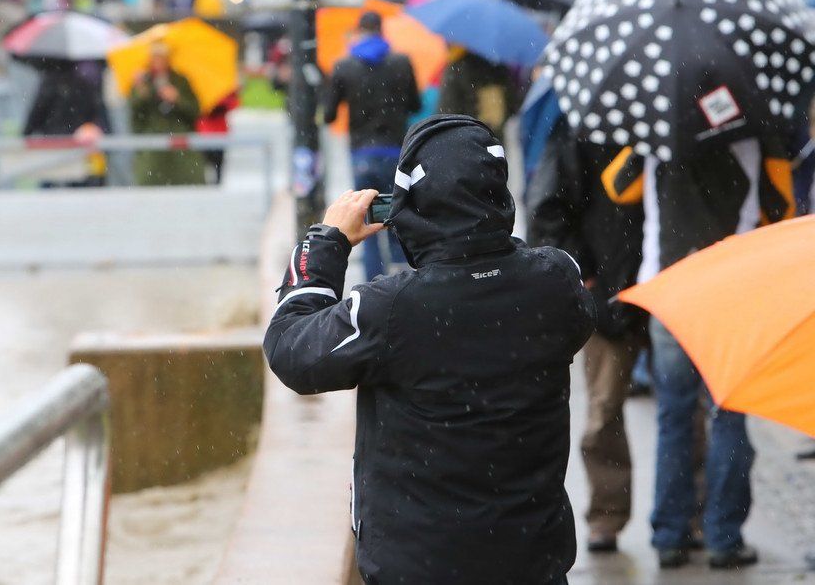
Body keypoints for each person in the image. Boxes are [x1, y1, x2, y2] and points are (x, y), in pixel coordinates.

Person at [265, 114, 596, 584]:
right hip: (533, 559)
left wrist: (324, 243)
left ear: (409, 207)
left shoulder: (392, 309)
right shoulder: (556, 281)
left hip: (421, 565)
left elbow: (290, 349)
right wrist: (479, 237)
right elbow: (520, 280)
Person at [602, 133, 795, 569]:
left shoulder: (657, 133)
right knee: (729, 414)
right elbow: (781, 209)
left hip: (672, 289)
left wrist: (643, 142)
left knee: (673, 417)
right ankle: (724, 536)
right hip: (733, 290)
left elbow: (617, 186)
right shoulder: (754, 133)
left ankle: (670, 536)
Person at [526, 119, 646, 553]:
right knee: (604, 408)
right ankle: (607, 516)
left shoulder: (677, 118)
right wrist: (585, 272)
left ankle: (689, 518)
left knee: (687, 407)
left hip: (670, 276)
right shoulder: (585, 125)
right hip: (612, 285)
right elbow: (548, 207)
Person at [323, 11, 422, 280]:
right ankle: (404, 282)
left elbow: (328, 115)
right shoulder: (401, 62)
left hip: (362, 154)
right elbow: (415, 104)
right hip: (396, 154)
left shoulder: (344, 66)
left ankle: (374, 287)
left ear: (360, 30)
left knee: (367, 224)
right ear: (381, 30)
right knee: (397, 221)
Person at [129, 42, 204, 186]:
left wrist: (177, 99)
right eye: (155, 58)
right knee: (150, 185)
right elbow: (135, 113)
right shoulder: (143, 82)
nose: (158, 62)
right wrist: (142, 93)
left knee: (188, 184)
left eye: (162, 57)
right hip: (151, 146)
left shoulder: (181, 81)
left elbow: (195, 111)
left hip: (181, 147)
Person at [437, 49, 517, 139]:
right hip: (494, 138)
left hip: (465, 137)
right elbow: (513, 105)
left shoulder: (457, 68)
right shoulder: (499, 68)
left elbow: (447, 110)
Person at [195, 91, 240, 185]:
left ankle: (217, 182)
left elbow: (234, 104)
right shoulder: (204, 94)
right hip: (208, 132)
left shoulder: (223, 94)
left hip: (216, 133)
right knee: (210, 161)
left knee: (218, 162)